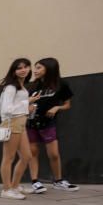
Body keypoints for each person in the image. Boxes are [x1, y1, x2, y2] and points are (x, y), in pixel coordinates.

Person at [27, 57, 78, 192]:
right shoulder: (33, 86)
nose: (35, 70)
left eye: (39, 67)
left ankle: (58, 181)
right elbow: (25, 103)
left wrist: (57, 108)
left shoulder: (61, 84)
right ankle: (35, 182)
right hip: (31, 123)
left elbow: (68, 105)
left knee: (54, 154)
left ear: (49, 68)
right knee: (33, 152)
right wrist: (28, 106)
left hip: (48, 123)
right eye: (35, 67)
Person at [0, 58, 36, 199]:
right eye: (19, 68)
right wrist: (27, 105)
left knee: (26, 156)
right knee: (9, 158)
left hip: (20, 123)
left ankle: (15, 186)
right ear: (14, 71)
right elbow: (6, 109)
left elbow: (18, 104)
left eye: (26, 67)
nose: (23, 70)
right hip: (12, 123)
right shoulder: (11, 87)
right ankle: (6, 190)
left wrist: (28, 105)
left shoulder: (21, 86)